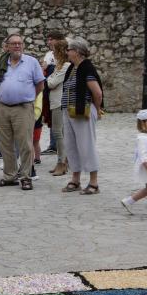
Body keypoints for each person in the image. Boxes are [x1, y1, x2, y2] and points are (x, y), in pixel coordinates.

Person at [0, 34, 45, 191]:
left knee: (25, 144)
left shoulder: (31, 62)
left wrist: (28, 98)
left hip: (23, 108)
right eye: (13, 44)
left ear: (23, 46)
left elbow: (40, 84)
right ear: (7, 46)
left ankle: (26, 177)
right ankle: (10, 175)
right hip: (2, 107)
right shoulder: (1, 63)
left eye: (19, 43)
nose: (17, 46)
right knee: (5, 143)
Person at [61, 37, 104, 196]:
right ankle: (75, 179)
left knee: (86, 146)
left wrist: (97, 109)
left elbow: (97, 93)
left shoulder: (86, 68)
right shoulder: (72, 68)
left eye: (70, 49)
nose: (67, 52)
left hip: (82, 112)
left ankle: (94, 183)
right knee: (71, 146)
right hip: (69, 111)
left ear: (77, 52)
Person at [46, 39, 71, 176]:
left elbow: (51, 82)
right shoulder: (59, 66)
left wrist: (49, 79)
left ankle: (62, 162)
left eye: (54, 50)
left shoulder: (65, 66)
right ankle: (61, 162)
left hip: (59, 102)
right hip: (55, 101)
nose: (52, 53)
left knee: (58, 133)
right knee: (59, 133)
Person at [41, 31, 65, 155]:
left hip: (60, 92)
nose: (49, 42)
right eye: (48, 39)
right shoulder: (49, 54)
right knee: (52, 118)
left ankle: (62, 150)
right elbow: (43, 69)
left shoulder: (65, 57)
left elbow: (52, 79)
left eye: (51, 39)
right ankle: (53, 145)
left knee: (61, 124)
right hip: (50, 92)